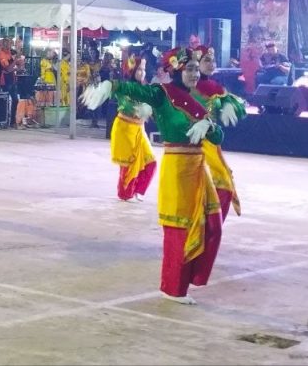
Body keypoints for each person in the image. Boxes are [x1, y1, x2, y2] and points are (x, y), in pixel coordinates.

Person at [83, 45, 240, 304]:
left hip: (199, 168)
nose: (194, 74)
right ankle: (173, 287)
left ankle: (192, 277)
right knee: (179, 229)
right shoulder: (162, 94)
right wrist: (110, 86)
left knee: (212, 226)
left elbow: (219, 135)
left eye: (195, 68)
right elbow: (133, 89)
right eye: (189, 68)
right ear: (176, 70)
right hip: (177, 168)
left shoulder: (201, 97)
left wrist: (210, 124)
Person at [193, 45, 245, 220]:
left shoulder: (214, 87)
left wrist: (229, 105)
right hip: (192, 144)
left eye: (213, 60)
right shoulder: (187, 86)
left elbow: (236, 103)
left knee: (223, 184)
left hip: (212, 143)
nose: (211, 64)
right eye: (206, 60)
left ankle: (212, 224)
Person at [109, 55, 156, 202]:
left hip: (139, 130)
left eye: (143, 70)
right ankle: (125, 193)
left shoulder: (145, 88)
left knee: (151, 162)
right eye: (139, 70)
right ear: (132, 71)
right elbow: (126, 105)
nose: (142, 73)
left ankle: (136, 190)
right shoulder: (125, 87)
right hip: (125, 128)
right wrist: (140, 109)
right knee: (128, 165)